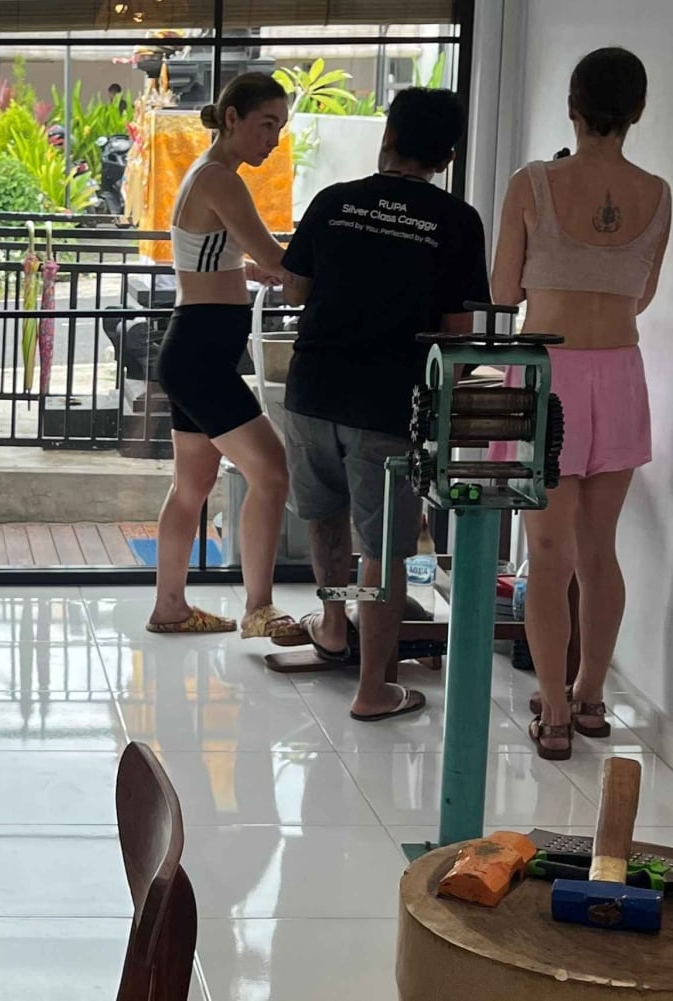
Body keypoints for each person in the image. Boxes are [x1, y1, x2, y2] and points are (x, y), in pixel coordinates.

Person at [280, 87, 488, 721]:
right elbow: (457, 334)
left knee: (325, 518)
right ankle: (372, 689)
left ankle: (333, 626)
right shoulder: (457, 221)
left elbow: (294, 289)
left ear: (388, 135)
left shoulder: (334, 201)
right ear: (446, 157)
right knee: (383, 548)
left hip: (312, 389)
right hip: (387, 405)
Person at [491, 47, 669, 759]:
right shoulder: (658, 193)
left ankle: (555, 711)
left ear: (572, 104)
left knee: (548, 552)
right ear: (638, 111)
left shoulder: (533, 182)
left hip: (547, 372)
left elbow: (503, 291)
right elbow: (642, 294)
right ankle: (592, 698)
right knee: (601, 550)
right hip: (620, 370)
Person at [148, 72, 300, 639]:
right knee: (273, 473)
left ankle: (170, 607)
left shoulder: (206, 174)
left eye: (280, 129)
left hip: (193, 349)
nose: (273, 141)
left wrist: (252, 271)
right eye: (266, 125)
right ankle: (259, 608)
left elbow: (215, 257)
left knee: (191, 487)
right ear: (232, 119)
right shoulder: (220, 179)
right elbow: (277, 257)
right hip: (202, 356)